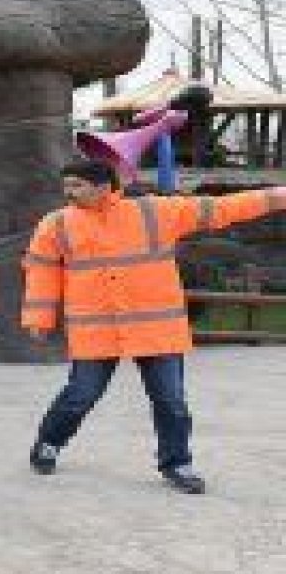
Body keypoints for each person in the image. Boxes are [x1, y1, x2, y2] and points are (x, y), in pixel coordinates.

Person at [23, 159, 286, 494]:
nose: (68, 193)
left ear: (104, 186)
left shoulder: (154, 212)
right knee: (80, 395)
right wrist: (38, 317)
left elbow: (220, 208)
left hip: (156, 329)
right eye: (66, 185)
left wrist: (278, 196)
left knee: (170, 400)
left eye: (76, 185)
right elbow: (41, 270)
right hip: (95, 330)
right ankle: (49, 443)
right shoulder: (56, 223)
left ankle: (177, 464)